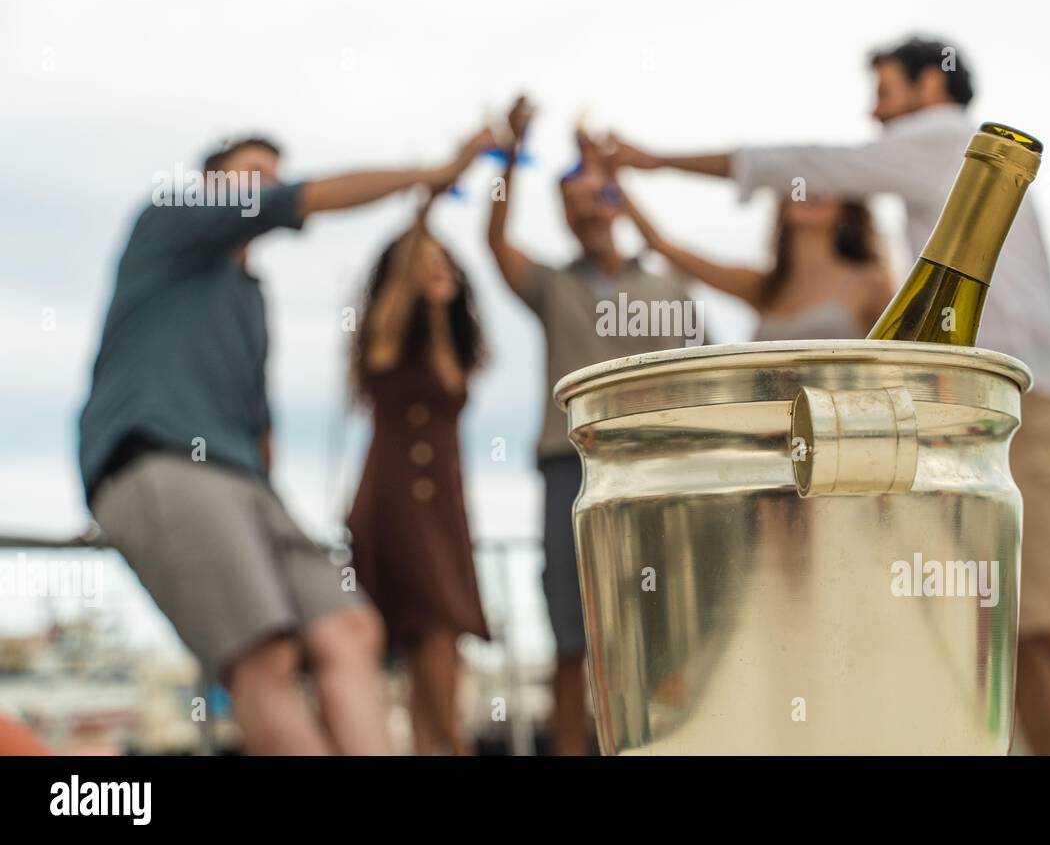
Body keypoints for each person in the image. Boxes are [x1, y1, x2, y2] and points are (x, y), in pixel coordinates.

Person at [603, 35, 1050, 755]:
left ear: (930, 87)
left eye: (884, 91)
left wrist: (648, 158)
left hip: (1024, 403)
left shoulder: (943, 139)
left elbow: (802, 163)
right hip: (983, 407)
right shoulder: (925, 174)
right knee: (1014, 623)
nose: (873, 109)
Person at [79, 124, 497, 755]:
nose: (266, 188)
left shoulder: (251, 298)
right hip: (158, 459)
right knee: (268, 657)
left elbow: (259, 423)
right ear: (207, 186)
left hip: (247, 482)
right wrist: (432, 173)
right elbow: (310, 198)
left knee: (352, 630)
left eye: (273, 177)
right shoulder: (167, 219)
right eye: (252, 173)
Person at [485, 99, 703, 754]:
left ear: (614, 199)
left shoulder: (669, 290)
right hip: (571, 467)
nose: (583, 210)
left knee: (668, 628)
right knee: (570, 636)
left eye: (593, 196)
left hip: (660, 467)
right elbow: (493, 242)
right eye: (570, 202)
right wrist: (510, 154)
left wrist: (614, 175)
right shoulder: (552, 286)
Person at [347, 194, 491, 756]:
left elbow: (451, 383)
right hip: (399, 505)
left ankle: (438, 746)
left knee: (438, 643)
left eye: (444, 260)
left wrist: (436, 304)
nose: (436, 269)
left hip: (444, 511)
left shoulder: (449, 343)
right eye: (423, 262)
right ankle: (451, 747)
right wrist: (428, 201)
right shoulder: (384, 342)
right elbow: (396, 297)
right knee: (433, 632)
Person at [602, 167, 893, 340]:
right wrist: (614, 187)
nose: (808, 190)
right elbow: (661, 244)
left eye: (823, 182)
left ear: (848, 206)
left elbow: (902, 366)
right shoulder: (765, 286)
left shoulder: (870, 283)